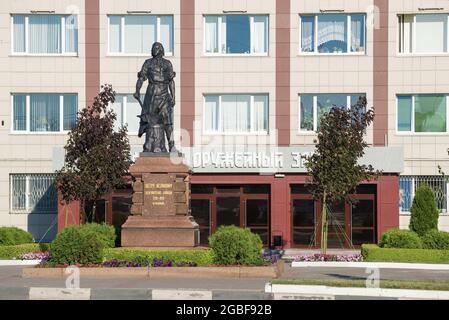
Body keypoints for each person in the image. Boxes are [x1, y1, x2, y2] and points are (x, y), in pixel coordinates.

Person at [133, 42, 177, 153]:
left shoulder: (167, 63)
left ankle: (171, 145)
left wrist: (173, 96)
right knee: (150, 121)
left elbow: (171, 81)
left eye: (157, 47)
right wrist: (137, 90)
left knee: (168, 121)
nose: (155, 49)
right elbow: (141, 78)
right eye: (153, 47)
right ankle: (150, 145)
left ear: (161, 50)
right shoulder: (148, 63)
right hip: (151, 95)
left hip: (164, 94)